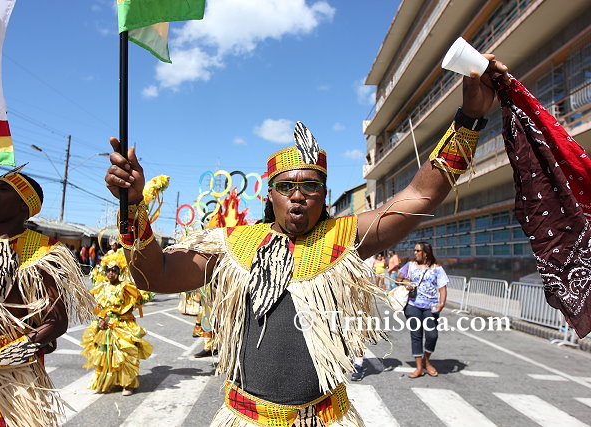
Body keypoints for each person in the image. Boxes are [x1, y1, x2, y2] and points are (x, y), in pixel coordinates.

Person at [105, 58, 509, 426]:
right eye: (286, 186)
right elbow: (154, 276)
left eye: (310, 186)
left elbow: (421, 195)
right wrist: (133, 205)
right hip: (247, 419)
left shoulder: (345, 237)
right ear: (270, 195)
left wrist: (470, 118)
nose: (298, 195)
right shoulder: (234, 244)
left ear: (324, 194)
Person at [0, 167, 96, 426]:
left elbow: (56, 323)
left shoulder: (46, 250)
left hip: (11, 380)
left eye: (3, 189)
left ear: (24, 206)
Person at [81, 251, 153, 396]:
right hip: (106, 325)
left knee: (125, 354)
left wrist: (115, 315)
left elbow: (132, 305)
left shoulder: (126, 287)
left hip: (122, 325)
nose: (111, 273)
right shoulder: (102, 287)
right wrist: (102, 319)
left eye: (114, 270)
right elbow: (100, 307)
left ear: (119, 272)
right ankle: (110, 381)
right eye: (108, 270)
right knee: (107, 354)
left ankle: (128, 384)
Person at [397, 242, 448, 379]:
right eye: (414, 250)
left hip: (431, 306)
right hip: (413, 305)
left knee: (432, 335)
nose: (415, 253)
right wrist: (405, 282)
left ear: (426, 253)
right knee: (416, 336)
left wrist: (442, 304)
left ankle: (426, 360)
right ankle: (419, 368)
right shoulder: (410, 265)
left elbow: (442, 288)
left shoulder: (437, 269)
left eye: (418, 250)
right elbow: (398, 278)